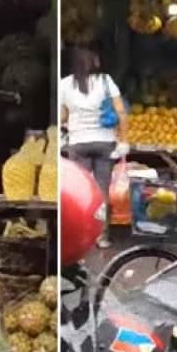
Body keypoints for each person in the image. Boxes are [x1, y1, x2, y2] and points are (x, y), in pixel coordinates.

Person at [60, 44, 129, 249]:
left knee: (79, 191)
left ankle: (79, 234)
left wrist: (66, 127)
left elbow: (63, 115)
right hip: (104, 141)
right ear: (93, 61)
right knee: (101, 189)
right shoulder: (106, 81)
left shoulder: (64, 84)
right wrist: (124, 140)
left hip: (78, 143)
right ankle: (102, 236)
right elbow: (121, 112)